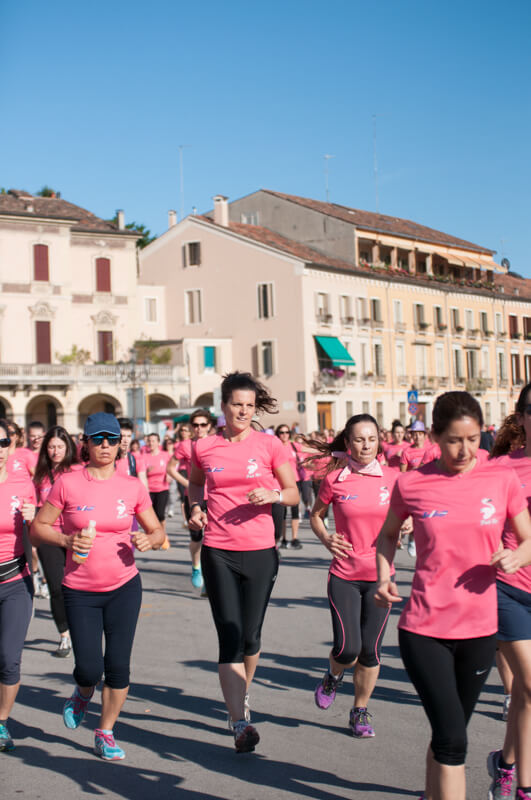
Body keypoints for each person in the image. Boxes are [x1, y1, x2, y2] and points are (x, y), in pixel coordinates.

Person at [375, 391, 531, 800]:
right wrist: (383, 576)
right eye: (454, 440)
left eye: (473, 439)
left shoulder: (500, 478)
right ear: (435, 438)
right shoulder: (411, 484)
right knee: (453, 742)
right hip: (425, 629)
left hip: (480, 631)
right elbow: (388, 536)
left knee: (451, 734)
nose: (465, 450)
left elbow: (527, 535)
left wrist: (516, 556)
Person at [31, 412, 165, 761]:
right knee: (89, 667)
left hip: (124, 586)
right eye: (98, 439)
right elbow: (38, 527)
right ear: (85, 444)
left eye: (112, 439)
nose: (105, 445)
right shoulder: (68, 483)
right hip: (80, 590)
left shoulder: (132, 485)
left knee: (118, 665)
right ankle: (82, 691)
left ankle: (105, 731)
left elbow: (158, 530)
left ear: (120, 444)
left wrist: (151, 539)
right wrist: (66, 538)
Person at [188, 372, 299, 753]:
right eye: (237, 404)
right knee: (230, 635)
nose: (243, 411)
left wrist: (271, 493)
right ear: (223, 406)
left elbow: (293, 492)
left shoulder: (270, 446)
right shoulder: (204, 446)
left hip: (260, 551)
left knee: (251, 637)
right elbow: (194, 484)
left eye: (250, 405)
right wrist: (195, 507)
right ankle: (239, 721)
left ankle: (242, 694)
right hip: (218, 549)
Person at [310, 414, 399, 738]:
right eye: (359, 439)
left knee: (370, 651)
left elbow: (411, 515)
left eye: (371, 439)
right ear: (347, 444)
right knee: (347, 648)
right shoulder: (335, 480)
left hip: (380, 576)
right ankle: (333, 676)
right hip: (345, 573)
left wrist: (406, 525)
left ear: (379, 441)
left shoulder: (393, 478)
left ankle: (359, 710)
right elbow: (316, 515)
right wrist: (326, 537)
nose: (365, 445)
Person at [486, 385, 531, 800]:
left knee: (524, 692)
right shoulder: (501, 469)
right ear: (521, 418)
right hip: (509, 588)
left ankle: (506, 764)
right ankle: (524, 788)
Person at [0, 417, 36, 751]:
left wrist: (34, 516)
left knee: (9, 657)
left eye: (3, 443)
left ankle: (1, 722)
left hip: (14, 580)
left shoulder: (23, 484)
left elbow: (38, 531)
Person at [33, 426, 80, 657]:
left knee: (78, 585)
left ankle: (82, 629)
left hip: (75, 536)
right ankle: (64, 635)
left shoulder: (78, 471)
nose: (55, 451)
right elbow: (33, 505)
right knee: (56, 586)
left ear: (68, 448)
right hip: (49, 537)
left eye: (60, 446)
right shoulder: (40, 475)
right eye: (51, 446)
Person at [167, 410, 213, 589]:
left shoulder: (216, 443)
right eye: (196, 425)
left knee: (213, 537)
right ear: (191, 427)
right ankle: (196, 566)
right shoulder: (185, 445)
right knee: (197, 538)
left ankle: (212, 575)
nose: (199, 428)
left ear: (209, 426)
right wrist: (188, 483)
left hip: (215, 496)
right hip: (194, 498)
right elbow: (171, 469)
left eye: (203, 425)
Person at [275, 425, 304, 549]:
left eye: (287, 432)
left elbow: (308, 449)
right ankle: (284, 538)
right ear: (278, 434)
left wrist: (330, 449)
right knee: (282, 512)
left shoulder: (293, 446)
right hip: (281, 482)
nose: (284, 435)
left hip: (295, 481)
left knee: (295, 511)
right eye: (281, 432)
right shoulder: (276, 447)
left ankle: (294, 538)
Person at [144, 433, 172, 550]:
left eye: (153, 441)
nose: (151, 443)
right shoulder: (144, 457)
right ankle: (155, 538)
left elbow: (171, 468)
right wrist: (146, 471)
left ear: (158, 442)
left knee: (160, 514)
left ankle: (163, 536)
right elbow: (141, 474)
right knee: (153, 515)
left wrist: (169, 475)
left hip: (162, 488)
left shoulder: (165, 455)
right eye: (149, 441)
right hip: (149, 490)